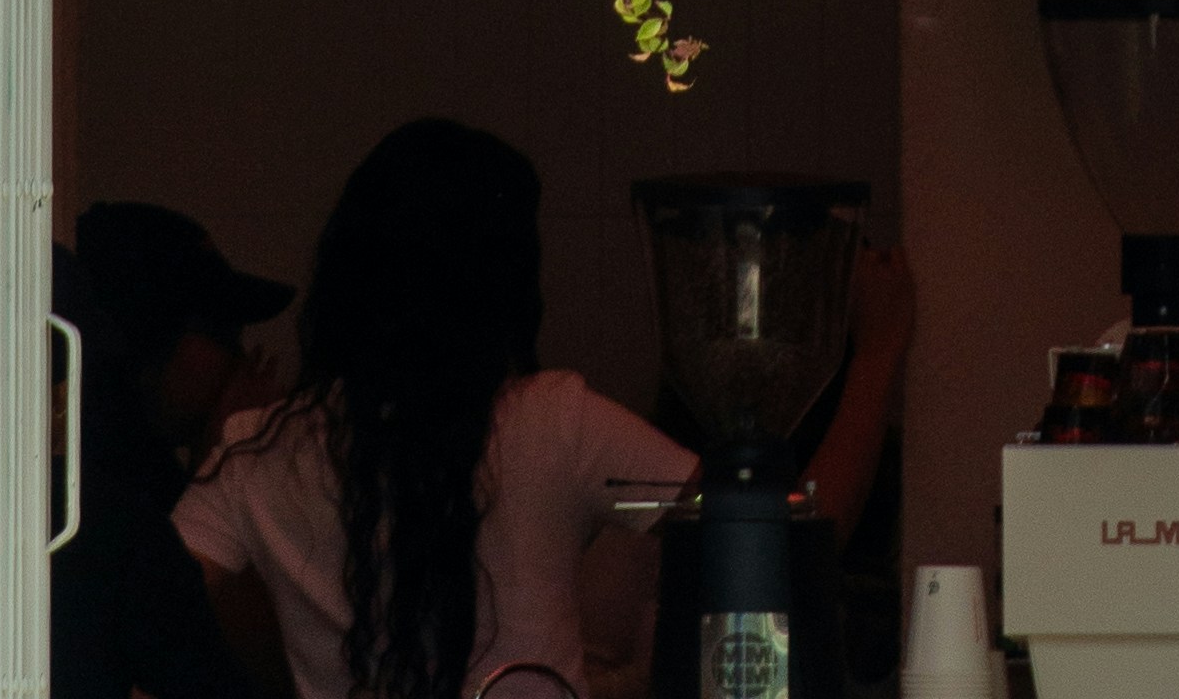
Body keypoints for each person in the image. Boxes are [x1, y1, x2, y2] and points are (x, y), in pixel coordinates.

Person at [172, 118, 915, 699]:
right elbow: (786, 541)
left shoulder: (259, 453)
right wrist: (879, 349)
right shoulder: (551, 426)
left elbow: (146, 606)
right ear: (505, 283)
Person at [52, 202, 289, 699]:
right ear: (149, 332)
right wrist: (226, 469)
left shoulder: (139, 480)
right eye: (219, 332)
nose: (240, 357)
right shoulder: (110, 508)